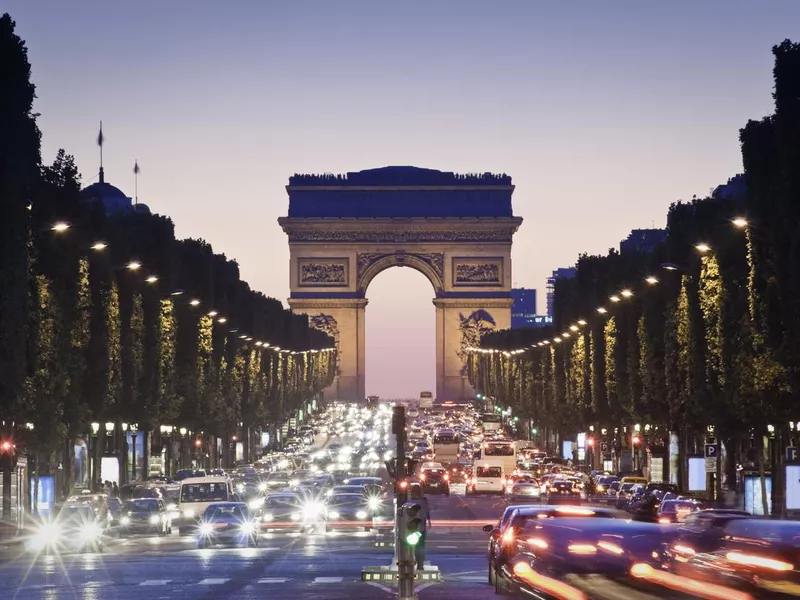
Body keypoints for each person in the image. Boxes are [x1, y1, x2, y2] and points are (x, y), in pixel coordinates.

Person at [409, 484, 432, 571]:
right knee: (421, 546)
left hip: (412, 528)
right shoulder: (424, 501)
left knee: (412, 546)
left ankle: (414, 562)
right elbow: (427, 512)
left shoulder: (409, 502)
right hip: (421, 528)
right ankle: (420, 564)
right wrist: (429, 521)